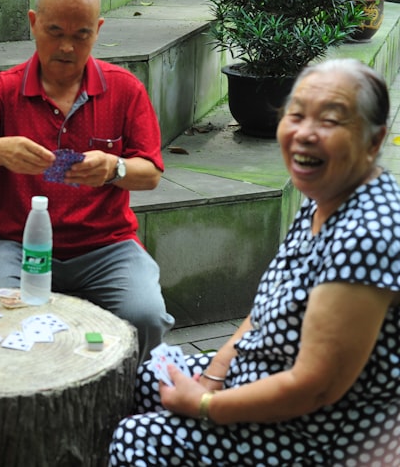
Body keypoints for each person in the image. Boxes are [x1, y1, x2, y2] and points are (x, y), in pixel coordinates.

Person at [108, 58, 400, 466]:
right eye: (296, 115)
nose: (304, 133)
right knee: (137, 379)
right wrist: (215, 374)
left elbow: (314, 388)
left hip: (317, 434)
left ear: (373, 141)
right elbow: (265, 310)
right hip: (259, 379)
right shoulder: (325, 197)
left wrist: (207, 405)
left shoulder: (368, 235)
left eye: (330, 121)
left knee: (139, 438)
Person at [0, 0, 174, 360]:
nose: (66, 47)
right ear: (33, 23)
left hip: (107, 246)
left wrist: (116, 168)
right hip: (19, 246)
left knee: (145, 316)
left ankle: (135, 405)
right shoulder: (4, 89)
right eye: (54, 31)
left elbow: (151, 173)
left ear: (97, 30)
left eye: (80, 34)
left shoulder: (125, 89)